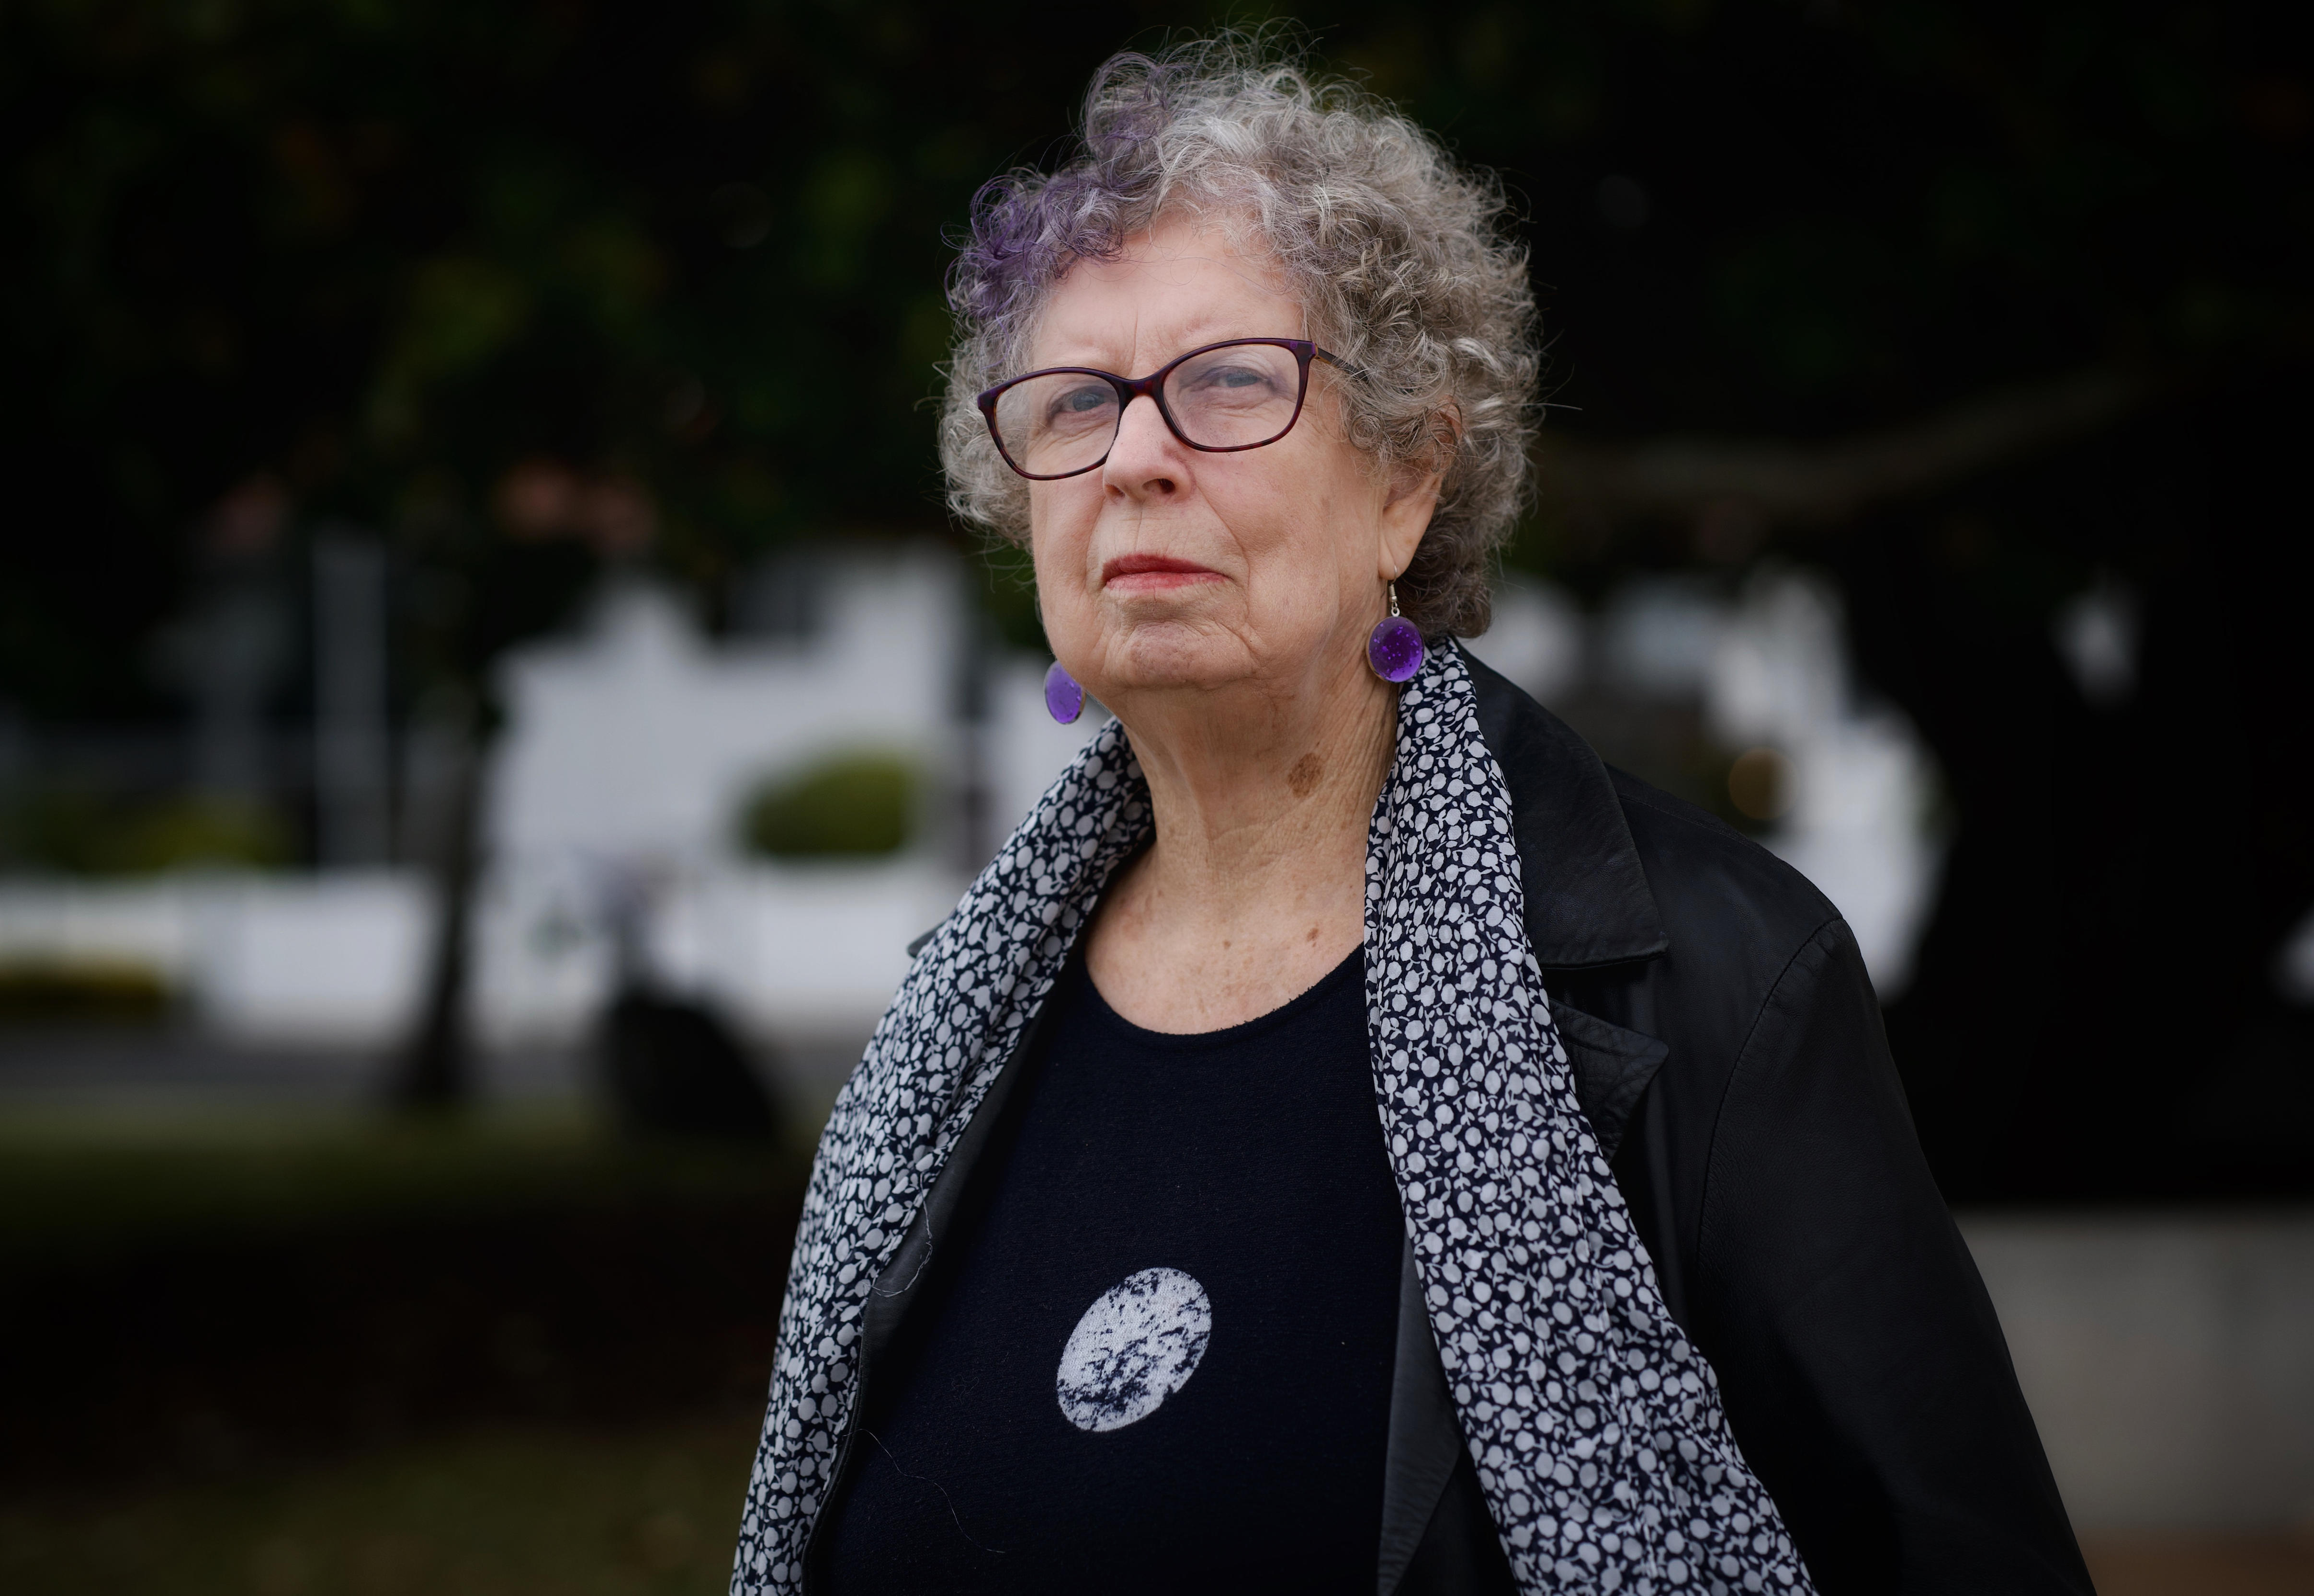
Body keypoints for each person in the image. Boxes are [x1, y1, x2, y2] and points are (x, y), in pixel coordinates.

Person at [735, 37, 2092, 1596]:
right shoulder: (954, 1027)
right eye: (1075, 402)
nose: (1135, 458)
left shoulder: (1726, 980)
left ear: (1409, 484)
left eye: (1228, 384)